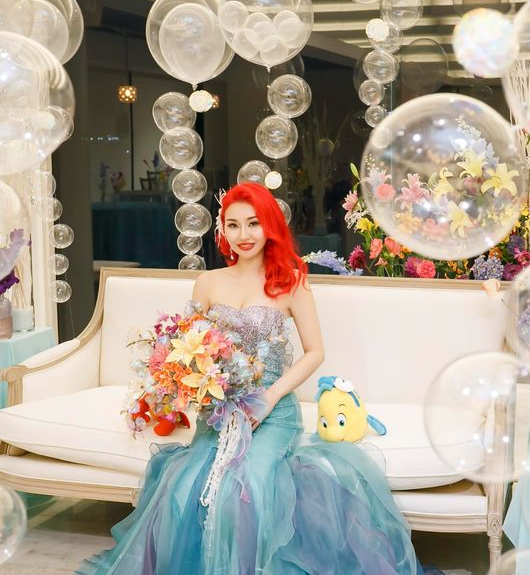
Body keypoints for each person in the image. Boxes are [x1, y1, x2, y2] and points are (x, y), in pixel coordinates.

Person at [78, 182, 423, 574]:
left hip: (272, 414)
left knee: (248, 487)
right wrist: (182, 385)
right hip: (219, 412)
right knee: (186, 485)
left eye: (253, 223)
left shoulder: (291, 281)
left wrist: (268, 398)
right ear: (222, 230)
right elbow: (188, 346)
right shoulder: (208, 282)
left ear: (269, 226)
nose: (243, 234)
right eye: (233, 224)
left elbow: (315, 352)